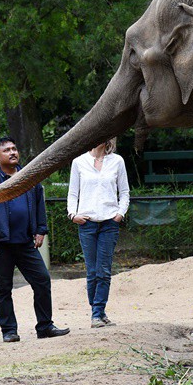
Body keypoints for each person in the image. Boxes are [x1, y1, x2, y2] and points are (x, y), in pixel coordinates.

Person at [0, 137, 70, 342]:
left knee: (42, 280)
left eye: (14, 149)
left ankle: (44, 326)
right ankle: (9, 331)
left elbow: (38, 204)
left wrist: (40, 230)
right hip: (1, 244)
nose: (12, 152)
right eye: (7, 150)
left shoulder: (29, 177)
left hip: (25, 242)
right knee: (3, 288)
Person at [67, 138, 130, 328]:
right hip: (87, 222)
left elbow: (125, 191)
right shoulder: (79, 162)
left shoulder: (117, 161)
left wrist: (120, 213)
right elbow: (73, 193)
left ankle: (97, 313)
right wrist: (73, 214)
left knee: (104, 270)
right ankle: (98, 312)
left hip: (109, 222)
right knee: (92, 271)